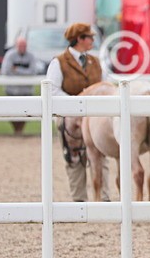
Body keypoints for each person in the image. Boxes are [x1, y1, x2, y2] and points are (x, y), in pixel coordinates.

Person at [46, 23, 110, 202]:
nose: (92, 40)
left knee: (101, 155)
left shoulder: (95, 62)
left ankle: (104, 198)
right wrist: (77, 104)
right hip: (69, 118)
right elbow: (52, 90)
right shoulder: (59, 62)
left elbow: (106, 86)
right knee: (74, 158)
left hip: (94, 119)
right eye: (89, 37)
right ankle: (79, 199)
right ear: (80, 39)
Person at [0, 35, 43, 134]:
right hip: (12, 91)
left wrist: (17, 70)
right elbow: (6, 71)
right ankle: (17, 131)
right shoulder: (10, 55)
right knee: (12, 113)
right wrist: (24, 73)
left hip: (26, 92)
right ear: (16, 45)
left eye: (24, 45)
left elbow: (33, 71)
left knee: (25, 113)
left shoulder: (31, 56)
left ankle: (19, 131)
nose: (22, 48)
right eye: (20, 45)